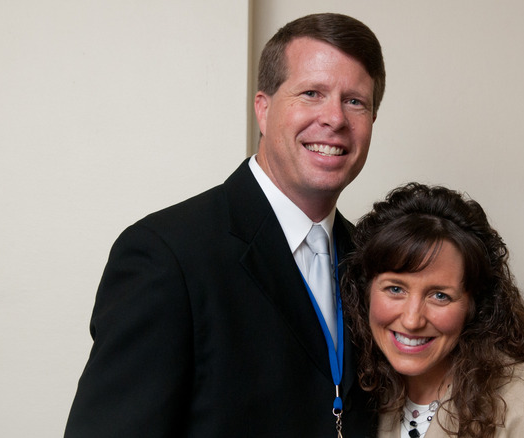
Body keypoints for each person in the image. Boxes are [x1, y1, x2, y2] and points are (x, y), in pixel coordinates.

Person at [65, 13, 385, 437]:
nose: (335, 118)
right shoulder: (166, 255)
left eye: (355, 101)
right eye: (312, 93)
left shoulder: (375, 262)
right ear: (264, 108)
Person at [343, 183, 524, 438]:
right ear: (365, 291)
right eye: (395, 289)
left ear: (475, 305)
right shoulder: (366, 394)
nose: (412, 320)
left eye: (440, 296)